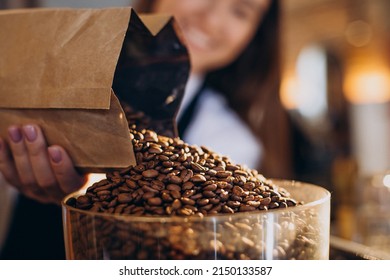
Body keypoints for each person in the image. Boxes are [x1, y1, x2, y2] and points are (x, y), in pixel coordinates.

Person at [0, 0, 292, 259]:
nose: (212, 19)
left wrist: (86, 195)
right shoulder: (60, 67)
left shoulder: (230, 140)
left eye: (241, 11)